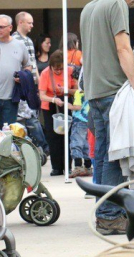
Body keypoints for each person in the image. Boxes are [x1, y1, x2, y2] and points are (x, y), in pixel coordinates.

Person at [80, 0, 134, 235]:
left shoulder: (89, 7)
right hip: (114, 90)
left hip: (95, 90)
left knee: (104, 156)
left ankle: (106, 212)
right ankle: (109, 215)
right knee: (115, 156)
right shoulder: (117, 4)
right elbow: (123, 47)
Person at [12, 12, 50, 156]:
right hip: (21, 85)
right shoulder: (14, 40)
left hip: (32, 84)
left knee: (32, 116)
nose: (32, 25)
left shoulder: (28, 40)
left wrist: (39, 85)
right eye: (29, 22)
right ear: (20, 22)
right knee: (30, 118)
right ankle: (43, 147)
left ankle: (38, 147)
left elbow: (32, 64)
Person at [38, 50, 77, 176]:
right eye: (56, 69)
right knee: (53, 136)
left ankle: (67, 166)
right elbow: (42, 95)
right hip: (50, 104)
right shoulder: (45, 74)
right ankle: (56, 167)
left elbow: (76, 90)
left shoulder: (70, 71)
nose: (58, 71)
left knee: (67, 134)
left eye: (60, 69)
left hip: (66, 101)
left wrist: (66, 90)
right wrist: (54, 99)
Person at [0, 14, 30, 129]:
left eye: (2, 27)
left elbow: (28, 66)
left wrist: (22, 76)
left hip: (11, 98)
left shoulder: (20, 45)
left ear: (10, 27)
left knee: (8, 133)